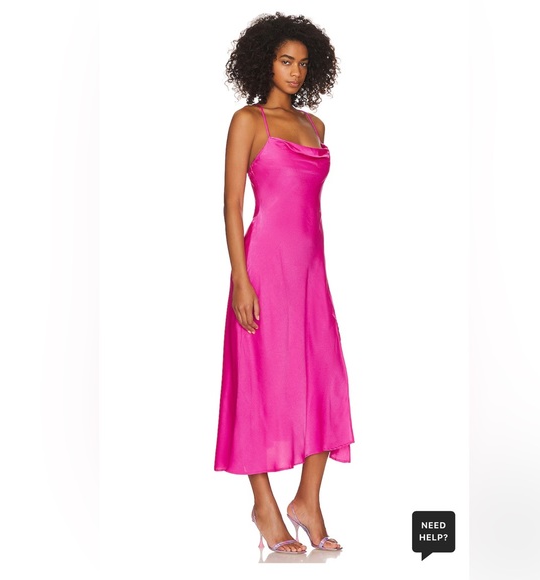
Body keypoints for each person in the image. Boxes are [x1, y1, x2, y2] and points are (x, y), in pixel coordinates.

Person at [214, 12, 355, 554]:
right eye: (285, 61)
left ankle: (307, 501)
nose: (295, 72)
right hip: (263, 268)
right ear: (265, 63)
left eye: (303, 63)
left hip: (311, 272)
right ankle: (265, 506)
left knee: (325, 378)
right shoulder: (248, 121)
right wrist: (241, 280)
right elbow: (231, 206)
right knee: (260, 380)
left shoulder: (316, 126)